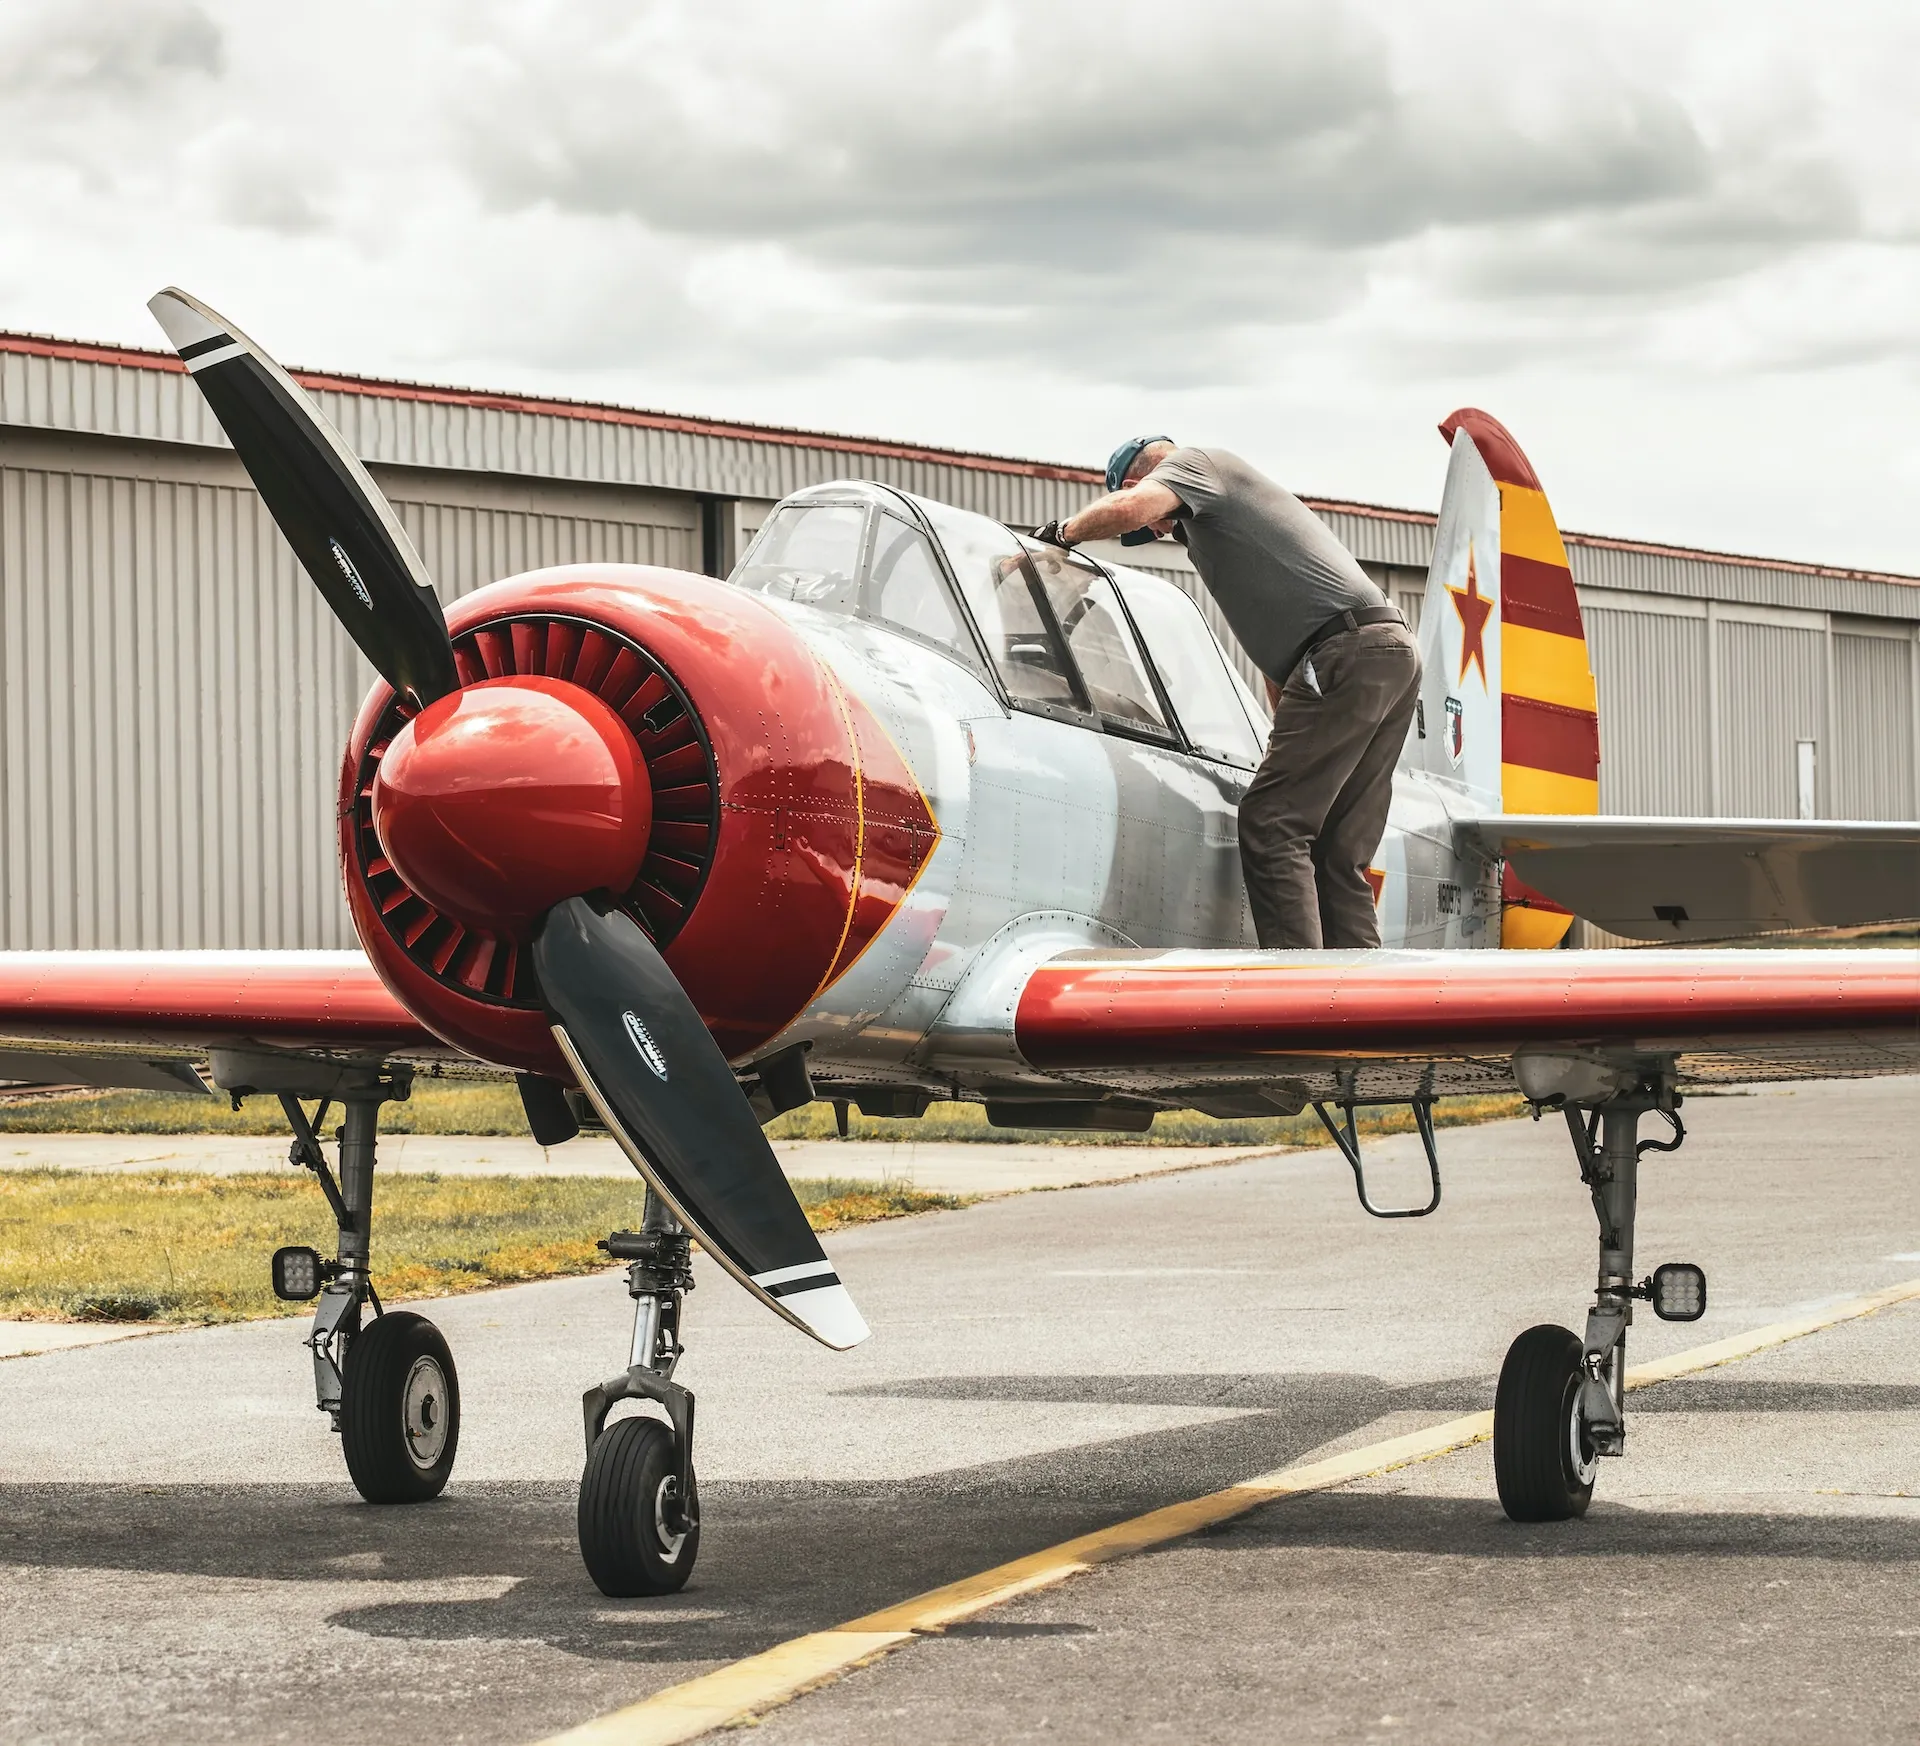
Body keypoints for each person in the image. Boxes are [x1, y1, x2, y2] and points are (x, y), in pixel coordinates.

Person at [1035, 438, 1422, 950]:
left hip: (1343, 655)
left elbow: (1134, 509)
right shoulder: (1222, 526)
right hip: (1383, 652)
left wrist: (1062, 535)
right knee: (1336, 850)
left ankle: (1300, 1002)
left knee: (1271, 822)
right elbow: (1278, 655)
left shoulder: (1196, 466)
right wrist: (1286, 739)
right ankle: (1357, 1011)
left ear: (1139, 482)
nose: (1157, 532)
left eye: (1155, 526)